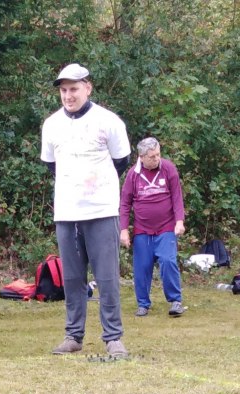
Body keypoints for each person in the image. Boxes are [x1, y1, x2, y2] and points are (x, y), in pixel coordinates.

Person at [41, 63, 131, 358]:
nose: (68, 95)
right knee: (72, 279)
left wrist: (96, 186)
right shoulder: (51, 124)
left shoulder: (108, 120)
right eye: (64, 90)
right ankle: (73, 335)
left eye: (74, 89)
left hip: (102, 211)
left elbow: (121, 161)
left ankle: (113, 338)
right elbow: (52, 165)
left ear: (87, 88)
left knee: (106, 277)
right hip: (67, 213)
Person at [118, 136, 186, 318]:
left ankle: (175, 301)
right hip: (142, 230)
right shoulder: (133, 174)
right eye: (152, 156)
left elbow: (177, 197)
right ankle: (143, 304)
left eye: (158, 154)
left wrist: (179, 221)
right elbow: (125, 203)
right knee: (142, 266)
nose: (157, 159)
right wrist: (123, 229)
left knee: (168, 261)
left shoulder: (168, 168)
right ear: (141, 157)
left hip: (166, 227)